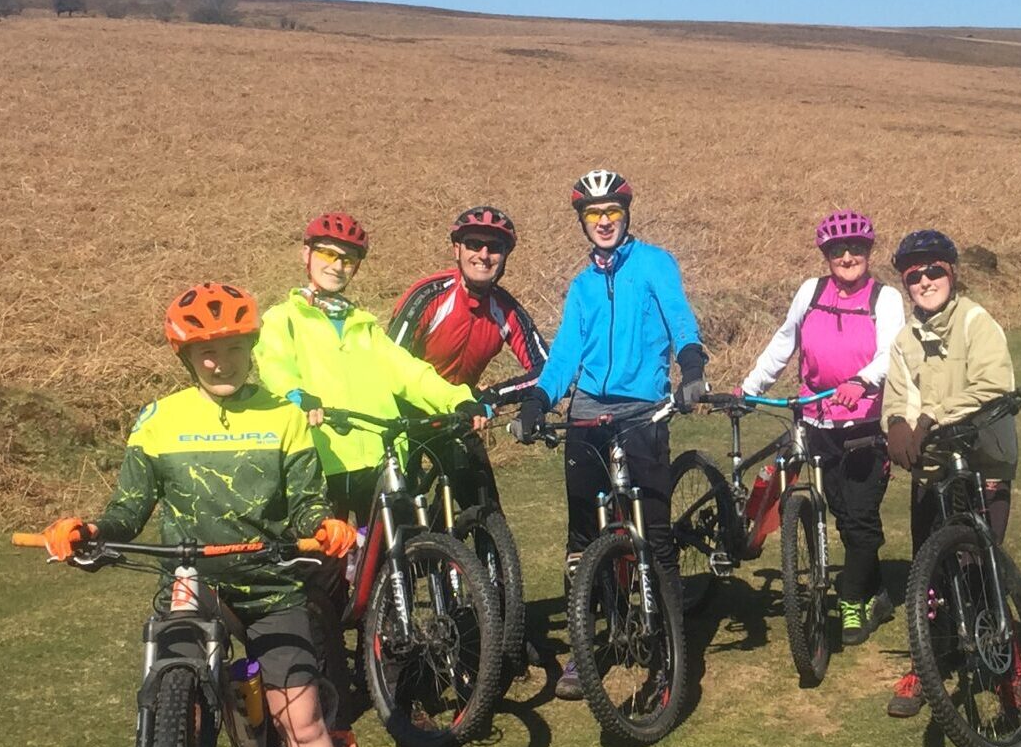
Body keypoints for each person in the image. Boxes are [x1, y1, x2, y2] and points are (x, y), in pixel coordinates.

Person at [38, 284, 369, 747]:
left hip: (272, 582)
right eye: (205, 352)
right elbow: (127, 512)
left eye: (232, 347)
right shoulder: (158, 419)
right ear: (186, 358)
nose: (221, 361)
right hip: (191, 587)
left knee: (297, 717)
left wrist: (325, 526)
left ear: (251, 346)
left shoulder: (285, 417)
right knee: (171, 718)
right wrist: (88, 533)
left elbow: (305, 508)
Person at [513, 171, 710, 699]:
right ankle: (587, 645)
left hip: (643, 407)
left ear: (626, 215)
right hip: (587, 412)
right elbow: (564, 358)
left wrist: (691, 367)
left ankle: (672, 652)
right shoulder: (580, 286)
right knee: (583, 537)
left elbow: (680, 321)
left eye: (612, 213)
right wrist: (538, 401)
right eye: (593, 215)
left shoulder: (653, 264)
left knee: (655, 534)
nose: (603, 222)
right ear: (583, 221)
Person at [738, 210, 905, 644]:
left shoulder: (883, 298)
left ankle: (851, 600)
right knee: (840, 512)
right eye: (837, 250)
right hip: (817, 420)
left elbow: (893, 352)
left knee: (861, 515)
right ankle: (874, 591)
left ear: (869, 251)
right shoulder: (810, 292)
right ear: (826, 255)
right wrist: (750, 387)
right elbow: (784, 341)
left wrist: (860, 381)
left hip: (867, 423)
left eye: (856, 248)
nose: (847, 256)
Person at [254, 212, 484, 522]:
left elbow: (410, 373)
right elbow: (276, 368)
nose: (337, 266)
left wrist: (458, 398)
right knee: (327, 565)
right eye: (328, 253)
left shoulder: (364, 327)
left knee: (391, 561)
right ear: (306, 254)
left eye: (348, 260)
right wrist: (299, 396)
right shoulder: (283, 319)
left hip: (380, 461)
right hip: (320, 459)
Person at [880, 228, 1017, 719]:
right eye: (913, 275)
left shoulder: (978, 323)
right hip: (934, 469)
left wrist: (929, 418)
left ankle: (1010, 671)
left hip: (984, 461)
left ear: (952, 273)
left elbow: (993, 386)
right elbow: (898, 395)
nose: (924, 281)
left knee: (985, 569)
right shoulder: (903, 339)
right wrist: (895, 423)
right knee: (928, 571)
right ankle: (928, 661)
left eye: (934, 270)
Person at [388, 204, 547, 509]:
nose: (483, 255)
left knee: (485, 505)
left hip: (463, 410)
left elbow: (546, 370)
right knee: (401, 511)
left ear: (505, 256)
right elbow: (390, 360)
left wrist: (494, 396)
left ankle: (487, 555)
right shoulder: (428, 295)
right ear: (456, 249)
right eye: (474, 244)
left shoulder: (507, 309)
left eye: (495, 248)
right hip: (405, 410)